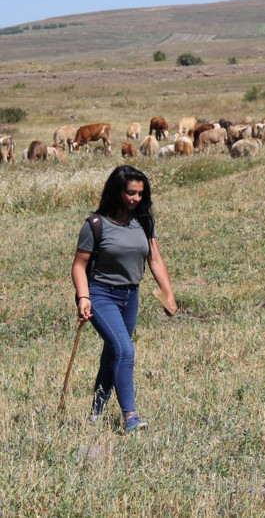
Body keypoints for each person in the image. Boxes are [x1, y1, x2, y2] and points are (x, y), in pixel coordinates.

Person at [71, 165, 177, 432]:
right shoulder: (95, 224)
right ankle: (130, 417)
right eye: (131, 193)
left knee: (113, 352)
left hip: (130, 295)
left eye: (140, 194)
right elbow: (79, 266)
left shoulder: (143, 221)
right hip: (100, 294)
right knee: (125, 350)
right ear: (117, 192)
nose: (136, 199)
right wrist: (83, 297)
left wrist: (169, 295)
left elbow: (155, 259)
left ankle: (96, 412)